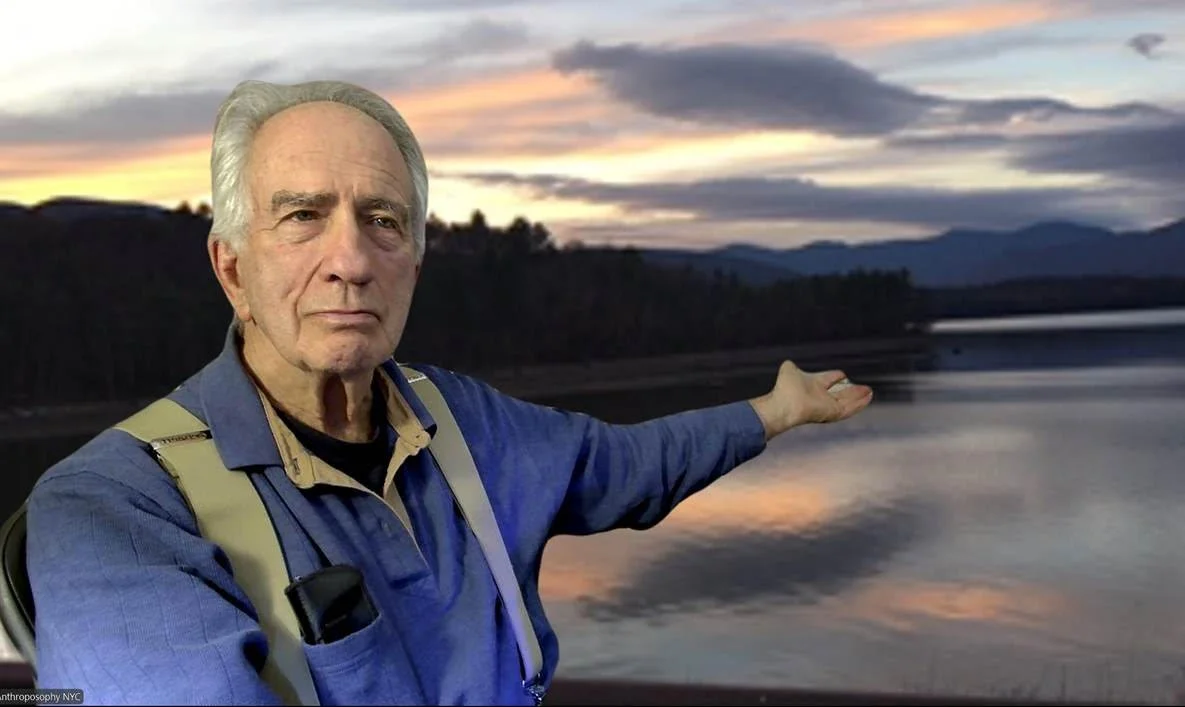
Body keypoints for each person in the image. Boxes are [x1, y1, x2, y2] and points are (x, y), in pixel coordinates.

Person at [24, 79, 873, 706]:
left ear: (414, 266)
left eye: (383, 220)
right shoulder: (111, 511)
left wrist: (775, 412)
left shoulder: (462, 421)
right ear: (232, 266)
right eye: (302, 215)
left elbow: (623, 463)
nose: (351, 259)